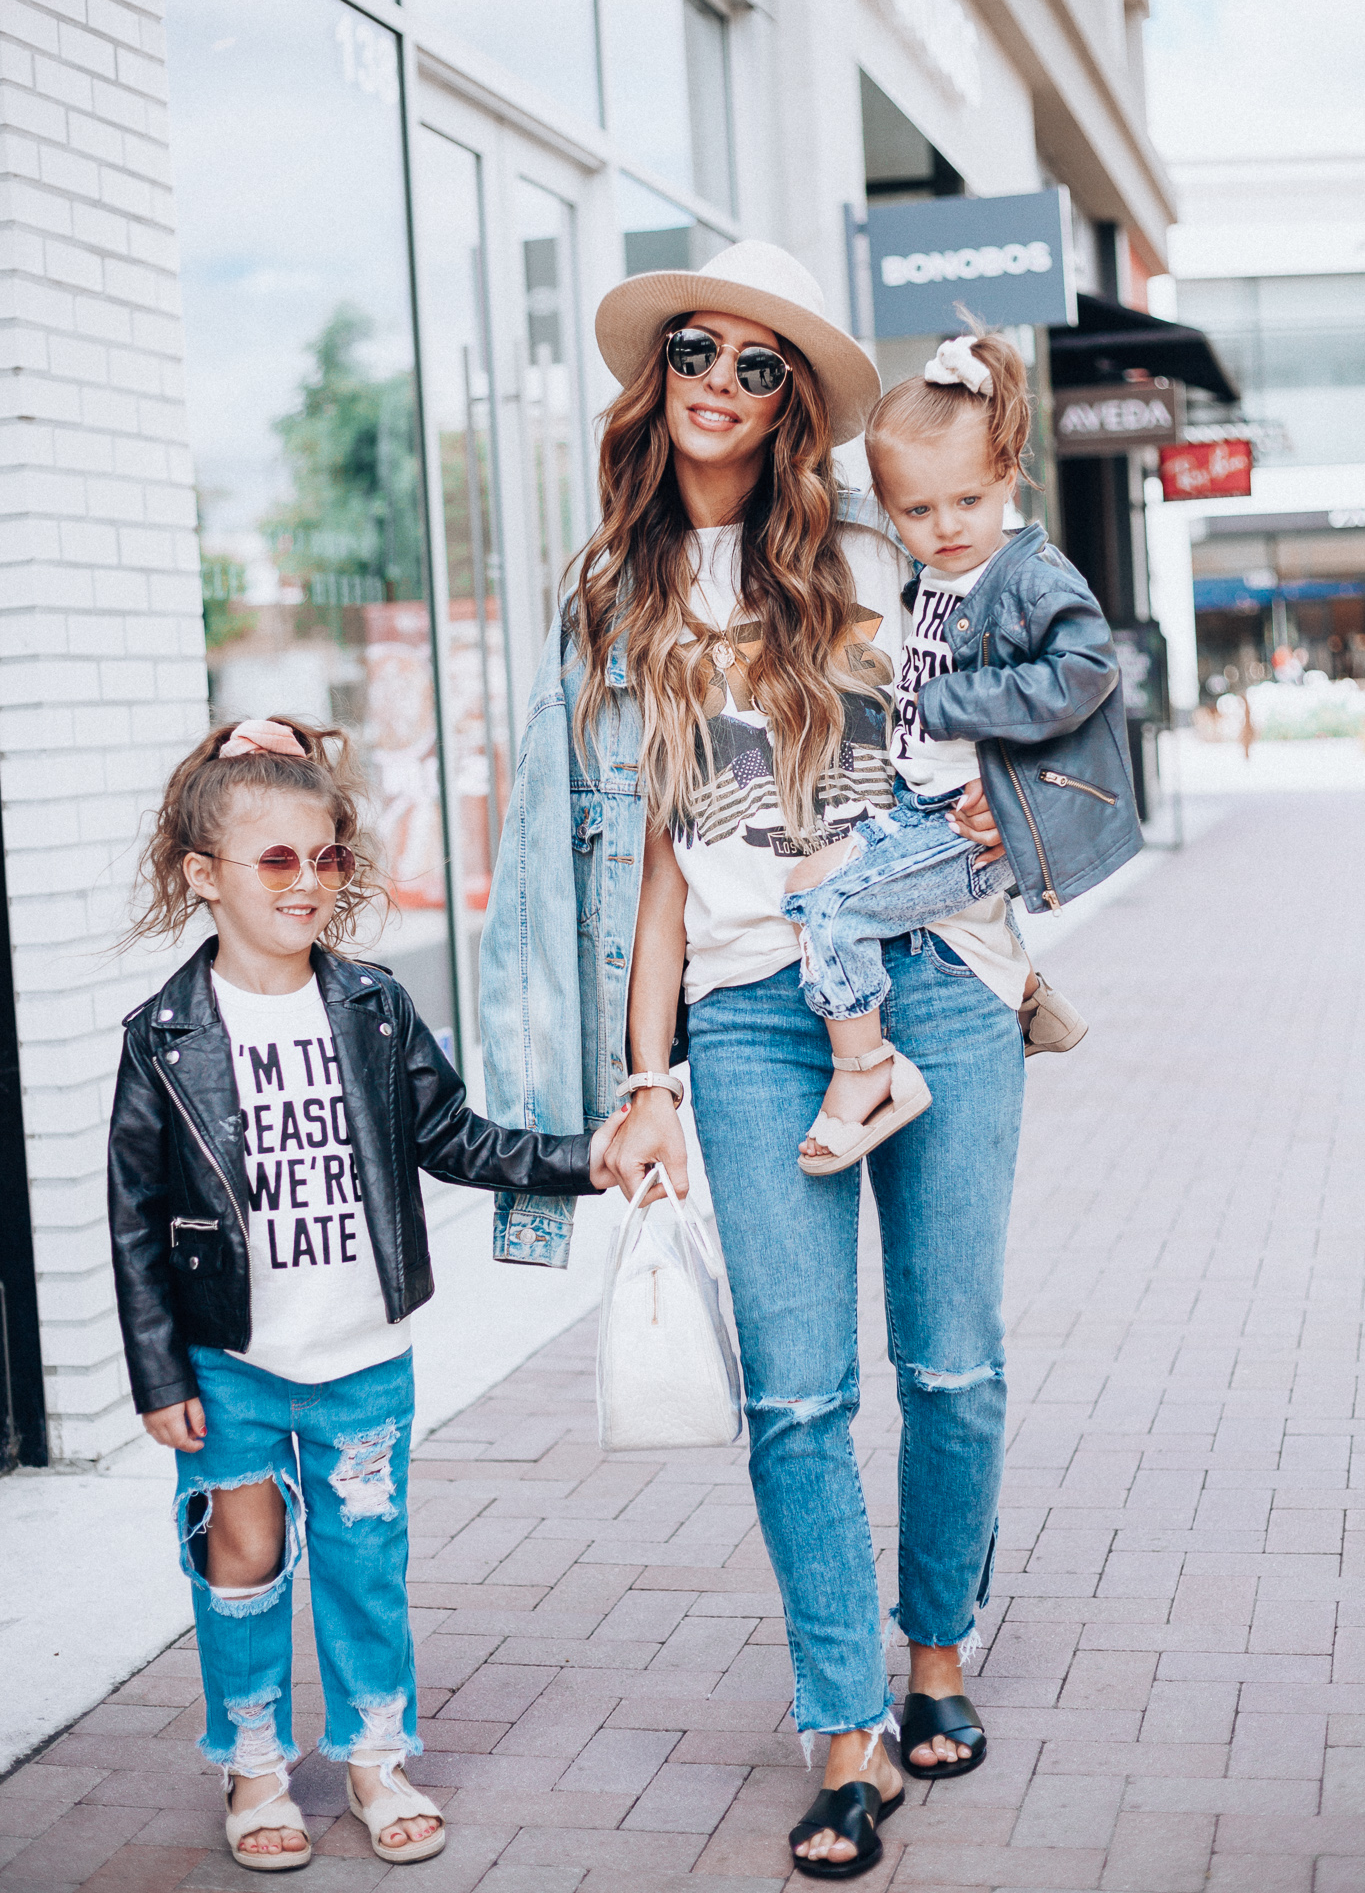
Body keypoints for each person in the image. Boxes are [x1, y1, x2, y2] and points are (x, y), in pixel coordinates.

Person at [478, 241, 1041, 1879]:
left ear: (794, 398)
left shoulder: (873, 550)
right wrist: (639, 1080)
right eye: (695, 352)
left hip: (927, 974)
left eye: (758, 362)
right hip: (738, 1013)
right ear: (656, 383)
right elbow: (644, 863)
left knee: (952, 1360)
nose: (720, 380)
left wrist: (1011, 788)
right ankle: (843, 1732)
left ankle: (937, 1650)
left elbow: (994, 715)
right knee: (796, 1397)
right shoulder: (615, 598)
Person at [107, 717, 624, 1873]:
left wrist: (585, 1156)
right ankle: (252, 1762)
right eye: (276, 861)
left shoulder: (375, 1009)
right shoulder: (166, 1036)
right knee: (240, 1553)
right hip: (228, 1355)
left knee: (363, 1555)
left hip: (360, 1351)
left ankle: (378, 1753)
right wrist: (156, 1371)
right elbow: (135, 1217)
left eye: (327, 857)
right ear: (206, 875)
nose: (308, 883)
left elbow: (452, 1134)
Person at [780, 331, 1140, 1173]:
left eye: (966, 501)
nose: (944, 527)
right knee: (805, 879)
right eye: (916, 511)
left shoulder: (1025, 576)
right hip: (921, 804)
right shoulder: (928, 580)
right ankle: (1022, 988)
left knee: (830, 911)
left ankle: (866, 1075)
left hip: (968, 822)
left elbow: (1087, 669)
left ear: (1007, 472)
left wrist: (953, 703)